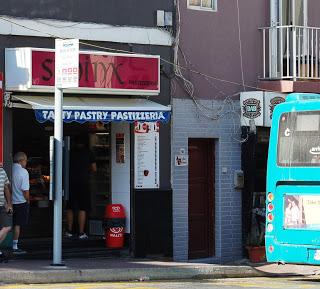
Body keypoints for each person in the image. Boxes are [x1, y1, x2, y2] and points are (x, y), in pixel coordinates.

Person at [65, 135, 96, 240]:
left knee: (70, 207)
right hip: (84, 183)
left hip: (70, 182)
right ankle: (81, 232)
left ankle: (69, 231)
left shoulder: (70, 152)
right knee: (83, 208)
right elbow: (94, 168)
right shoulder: (88, 152)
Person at [12, 152, 30, 254]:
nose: (26, 162)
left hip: (9, 202)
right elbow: (25, 190)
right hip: (20, 202)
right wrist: (28, 200)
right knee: (17, 225)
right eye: (26, 160)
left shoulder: (9, 168)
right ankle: (15, 246)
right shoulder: (23, 172)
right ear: (21, 160)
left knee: (8, 224)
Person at [0, 167, 12, 262]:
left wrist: (9, 204)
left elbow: (6, 187)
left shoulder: (2, 171)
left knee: (7, 227)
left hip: (2, 205)